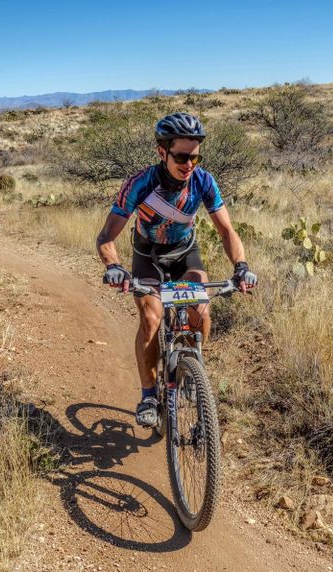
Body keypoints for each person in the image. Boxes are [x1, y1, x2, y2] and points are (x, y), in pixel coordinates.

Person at [95, 112, 257, 426]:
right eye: (181, 157)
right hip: (148, 255)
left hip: (185, 253)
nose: (189, 165)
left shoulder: (203, 181)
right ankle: (148, 395)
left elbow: (227, 231)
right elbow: (106, 236)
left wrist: (241, 266)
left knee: (201, 311)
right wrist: (114, 266)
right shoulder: (140, 184)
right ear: (162, 152)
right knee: (151, 318)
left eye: (195, 157)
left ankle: (191, 370)